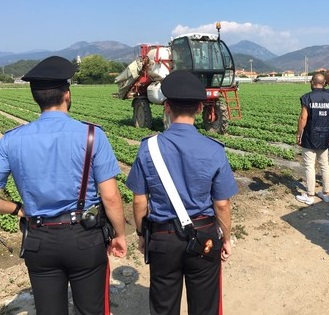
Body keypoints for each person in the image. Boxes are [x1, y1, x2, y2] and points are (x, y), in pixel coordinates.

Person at [0, 56, 127, 314]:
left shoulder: (11, 141)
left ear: (36, 97)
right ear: (67, 95)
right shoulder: (92, 135)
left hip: (39, 240)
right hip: (85, 237)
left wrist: (17, 210)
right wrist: (120, 235)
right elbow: (111, 197)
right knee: (92, 309)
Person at [126, 70, 238, 315]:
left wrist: (142, 234)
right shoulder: (214, 149)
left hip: (163, 237)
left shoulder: (149, 148)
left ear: (166, 107)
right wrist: (226, 238)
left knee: (163, 305)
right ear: (199, 108)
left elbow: (139, 200)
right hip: (204, 236)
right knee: (205, 304)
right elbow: (221, 205)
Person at [296, 73, 329, 205]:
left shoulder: (307, 98)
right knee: (324, 165)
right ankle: (326, 194)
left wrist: (299, 133)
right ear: (324, 83)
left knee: (309, 166)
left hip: (310, 135)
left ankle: (310, 195)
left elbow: (303, 118)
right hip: (325, 135)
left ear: (312, 82)